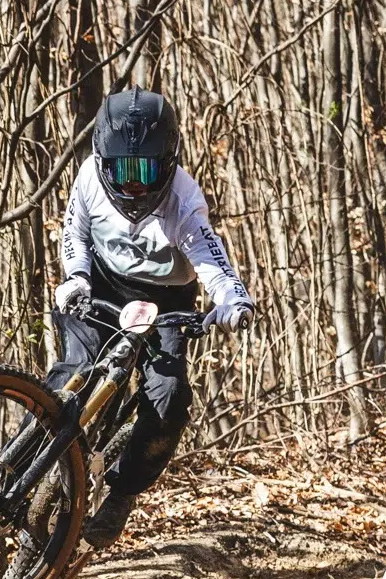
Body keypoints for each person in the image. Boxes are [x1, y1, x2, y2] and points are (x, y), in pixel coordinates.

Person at [53, 88, 254, 549]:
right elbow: (74, 231)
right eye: (123, 171)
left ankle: (121, 495)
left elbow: (210, 258)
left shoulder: (184, 199)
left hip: (166, 299)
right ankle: (27, 460)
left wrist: (232, 302)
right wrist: (76, 277)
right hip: (99, 282)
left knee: (169, 397)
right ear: (103, 161)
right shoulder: (87, 178)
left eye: (145, 171)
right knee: (69, 375)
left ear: (167, 162)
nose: (134, 186)